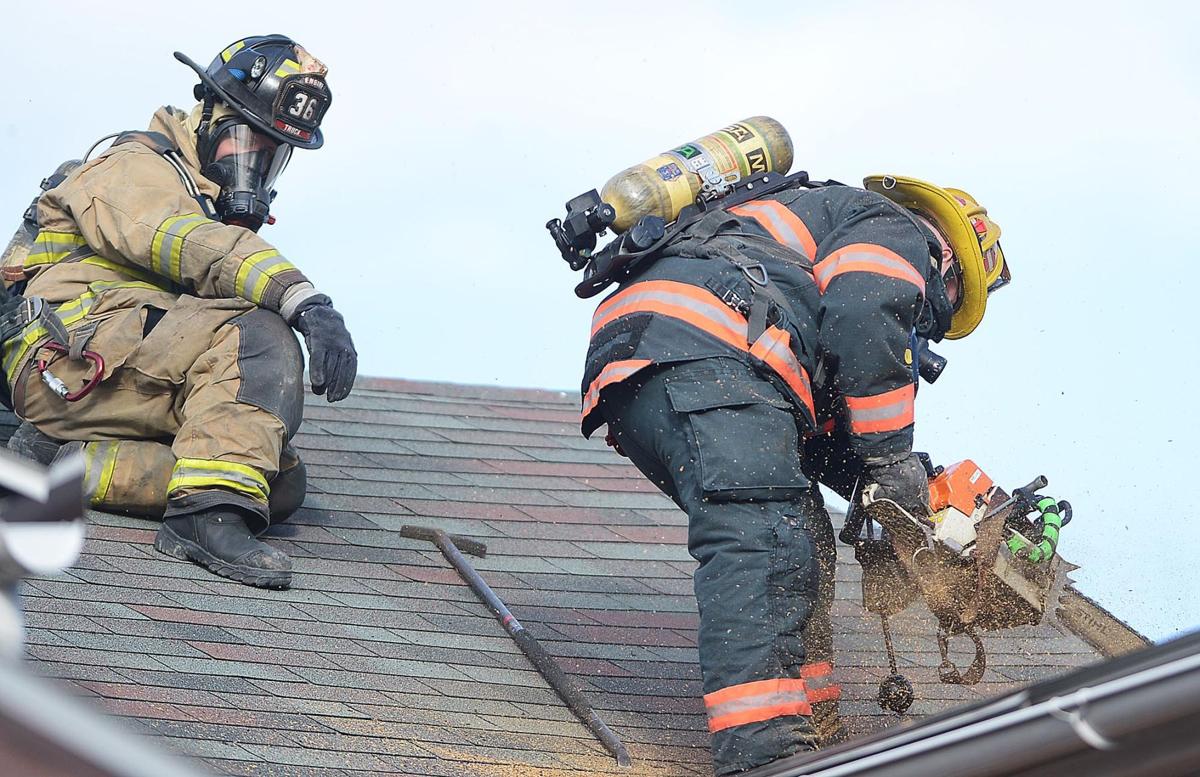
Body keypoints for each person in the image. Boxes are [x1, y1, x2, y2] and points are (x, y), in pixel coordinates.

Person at [580, 174, 1008, 774]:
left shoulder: (808, 233)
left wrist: (894, 508)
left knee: (801, 532)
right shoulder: (897, 230)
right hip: (711, 349)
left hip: (647, 358)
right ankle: (767, 755)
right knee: (764, 545)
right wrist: (891, 461)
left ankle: (816, 721)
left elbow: (824, 431)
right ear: (952, 267)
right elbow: (865, 312)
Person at [2, 35, 357, 590]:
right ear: (207, 115)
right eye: (246, 142)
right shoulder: (133, 168)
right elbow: (189, 242)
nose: (253, 167)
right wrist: (304, 301)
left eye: (272, 156)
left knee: (274, 481)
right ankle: (202, 519)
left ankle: (62, 461)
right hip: (65, 361)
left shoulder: (202, 199)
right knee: (261, 334)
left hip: (124, 377)